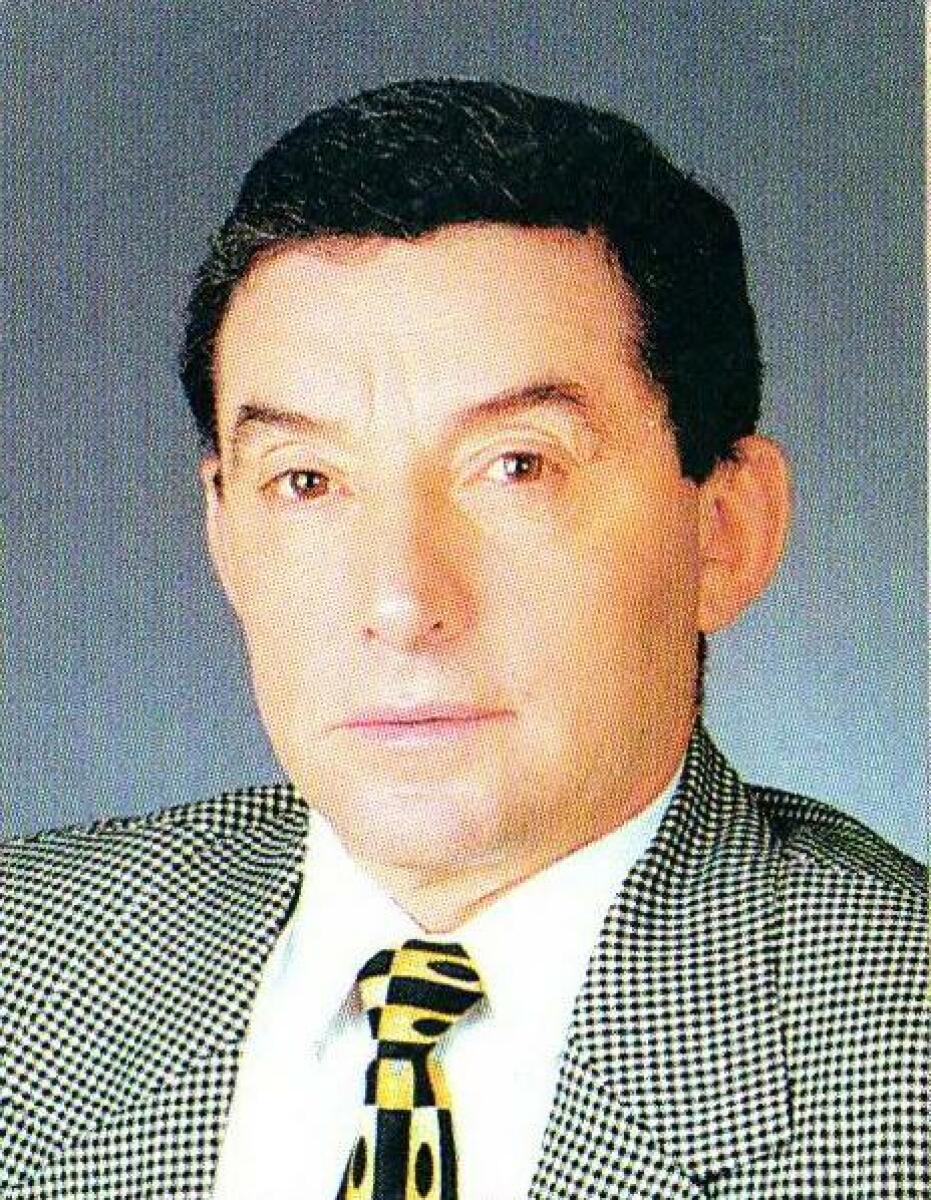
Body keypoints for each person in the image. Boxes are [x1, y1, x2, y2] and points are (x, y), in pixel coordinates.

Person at [1, 78, 925, 1200]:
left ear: (725, 532)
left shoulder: (893, 1064)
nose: (400, 601)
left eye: (516, 467)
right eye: (306, 481)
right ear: (226, 535)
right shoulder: (26, 962)